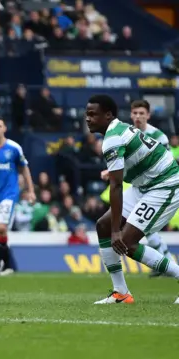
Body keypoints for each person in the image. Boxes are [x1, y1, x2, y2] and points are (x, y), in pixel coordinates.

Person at [86, 95, 179, 304]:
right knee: (103, 225)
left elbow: (117, 186)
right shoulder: (117, 129)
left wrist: (117, 230)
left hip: (165, 184)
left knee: (125, 242)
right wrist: (113, 228)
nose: (88, 119)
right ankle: (121, 292)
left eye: (93, 114)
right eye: (86, 114)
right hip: (145, 184)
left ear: (108, 115)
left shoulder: (112, 139)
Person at [99, 99, 175, 277]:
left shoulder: (159, 137)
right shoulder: (126, 132)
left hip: (158, 187)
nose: (138, 117)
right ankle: (122, 290)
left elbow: (161, 164)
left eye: (142, 113)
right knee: (105, 224)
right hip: (137, 186)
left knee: (137, 235)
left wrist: (114, 174)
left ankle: (165, 264)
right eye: (135, 113)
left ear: (148, 115)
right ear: (130, 114)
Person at [0, 117, 36, 276]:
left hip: (9, 194)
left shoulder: (13, 148)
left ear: (4, 128)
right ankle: (8, 265)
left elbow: (24, 169)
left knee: (1, 228)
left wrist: (31, 190)